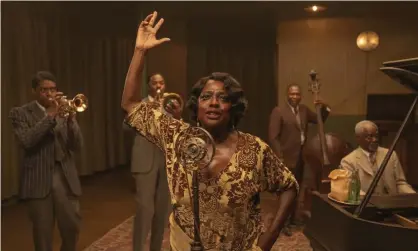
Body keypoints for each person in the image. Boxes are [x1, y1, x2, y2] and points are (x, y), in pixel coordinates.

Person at [121, 12, 298, 251]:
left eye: (222, 98)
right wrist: (140, 52)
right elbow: (131, 103)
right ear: (197, 105)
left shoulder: (254, 149)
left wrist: (269, 237)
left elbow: (288, 186)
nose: (213, 103)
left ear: (233, 107)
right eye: (206, 97)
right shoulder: (177, 137)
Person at [9, 71, 83, 251]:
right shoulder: (19, 113)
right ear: (34, 91)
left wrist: (71, 120)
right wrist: (49, 116)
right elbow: (27, 141)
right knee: (43, 237)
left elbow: (76, 145)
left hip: (64, 178)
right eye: (44, 90)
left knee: (72, 227)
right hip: (38, 179)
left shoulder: (64, 110)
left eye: (52, 89)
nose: (50, 94)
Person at [122, 73, 182, 251]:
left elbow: (178, 130)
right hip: (144, 159)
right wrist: (147, 111)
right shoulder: (140, 105)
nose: (158, 86)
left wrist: (176, 115)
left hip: (166, 160)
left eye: (161, 82)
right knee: (144, 209)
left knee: (163, 211)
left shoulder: (171, 104)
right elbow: (125, 128)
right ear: (148, 85)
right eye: (155, 83)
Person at [268, 83, 330, 235]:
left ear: (300, 96)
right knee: (285, 192)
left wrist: (324, 106)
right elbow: (273, 137)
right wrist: (279, 158)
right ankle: (283, 224)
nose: (295, 97)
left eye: (297, 94)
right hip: (285, 159)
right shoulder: (278, 111)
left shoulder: (304, 110)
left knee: (297, 190)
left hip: (301, 157)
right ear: (287, 95)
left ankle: (294, 219)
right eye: (292, 94)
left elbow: (320, 119)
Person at [340, 120, 415, 195]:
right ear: (358, 138)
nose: (375, 140)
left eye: (376, 136)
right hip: (367, 204)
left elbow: (400, 183)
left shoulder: (390, 154)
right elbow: (353, 190)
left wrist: (413, 196)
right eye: (369, 137)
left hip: (391, 203)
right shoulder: (348, 161)